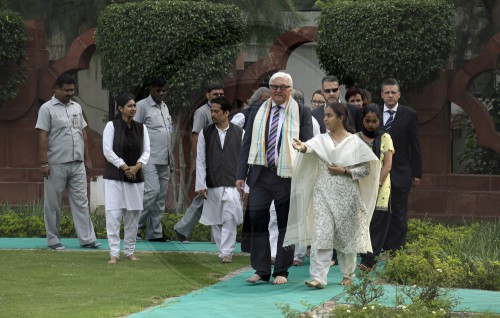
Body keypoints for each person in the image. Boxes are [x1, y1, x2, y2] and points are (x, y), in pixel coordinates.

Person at [285, 102, 380, 288]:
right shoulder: (320, 140)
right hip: (323, 194)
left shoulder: (354, 142)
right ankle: (318, 277)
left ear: (341, 118)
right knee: (321, 234)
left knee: (347, 237)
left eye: (329, 116)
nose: (325, 119)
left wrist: (344, 171)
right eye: (325, 116)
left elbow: (366, 169)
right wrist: (301, 147)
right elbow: (308, 148)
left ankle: (348, 274)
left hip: (348, 196)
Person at [236, 71, 313, 285]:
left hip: (287, 176)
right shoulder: (256, 110)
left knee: (284, 226)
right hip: (260, 174)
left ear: (290, 89)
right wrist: (241, 175)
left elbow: (308, 144)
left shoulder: (302, 112)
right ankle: (261, 270)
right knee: (258, 223)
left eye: (282, 87)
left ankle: (281, 270)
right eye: (274, 87)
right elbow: (247, 143)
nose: (278, 91)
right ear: (270, 89)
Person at [35, 73, 100, 250]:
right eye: (66, 90)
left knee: (81, 202)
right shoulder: (47, 109)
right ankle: (53, 239)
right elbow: (43, 135)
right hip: (56, 163)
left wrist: (87, 159)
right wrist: (43, 163)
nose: (70, 93)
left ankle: (87, 239)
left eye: (72, 90)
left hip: (77, 163)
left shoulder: (77, 107)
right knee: (53, 203)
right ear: (56, 89)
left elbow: (83, 133)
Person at [103, 93, 150, 263]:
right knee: (114, 214)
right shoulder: (111, 126)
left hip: (135, 177)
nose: (133, 109)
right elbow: (108, 151)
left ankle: (129, 250)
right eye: (129, 106)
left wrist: (136, 167)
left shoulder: (141, 128)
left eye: (134, 106)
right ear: (120, 108)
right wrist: (123, 166)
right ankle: (114, 253)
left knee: (133, 214)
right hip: (114, 176)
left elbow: (146, 152)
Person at [174, 83, 225, 242]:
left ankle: (184, 228)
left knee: (210, 196)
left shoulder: (223, 111)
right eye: (215, 94)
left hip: (219, 162)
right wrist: (198, 161)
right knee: (208, 195)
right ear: (207, 95)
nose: (218, 96)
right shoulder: (202, 112)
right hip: (207, 161)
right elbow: (196, 136)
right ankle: (185, 228)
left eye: (221, 94)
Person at [196, 96, 243, 263]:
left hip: (233, 183)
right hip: (212, 182)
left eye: (216, 111)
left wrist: (246, 185)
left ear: (226, 113)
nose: (213, 114)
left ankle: (227, 252)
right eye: (211, 111)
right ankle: (223, 250)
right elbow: (200, 159)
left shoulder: (239, 132)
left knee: (229, 216)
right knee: (216, 220)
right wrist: (201, 184)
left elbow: (245, 160)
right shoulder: (205, 133)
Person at [380, 78, 422, 253]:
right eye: (387, 92)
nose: (390, 95)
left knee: (398, 211)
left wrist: (417, 173)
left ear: (399, 94)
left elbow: (415, 145)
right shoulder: (373, 113)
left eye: (393, 92)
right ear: (382, 95)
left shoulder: (409, 114)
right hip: (378, 171)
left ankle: (396, 250)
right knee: (380, 212)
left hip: (401, 172)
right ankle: (380, 247)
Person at [134, 77, 173, 242]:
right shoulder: (142, 106)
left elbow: (168, 131)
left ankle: (155, 233)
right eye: (158, 90)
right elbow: (134, 131)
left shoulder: (165, 107)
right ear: (151, 89)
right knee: (152, 191)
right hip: (148, 157)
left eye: (164, 90)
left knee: (160, 197)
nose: (162, 93)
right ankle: (133, 227)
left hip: (165, 157)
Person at [356, 104, 394, 271]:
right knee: (363, 223)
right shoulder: (356, 138)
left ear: (379, 120)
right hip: (360, 186)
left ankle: (368, 261)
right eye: (367, 121)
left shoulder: (385, 137)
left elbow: (387, 165)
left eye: (374, 121)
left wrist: (377, 183)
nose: (371, 124)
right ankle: (365, 257)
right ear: (362, 120)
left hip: (381, 186)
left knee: (377, 225)